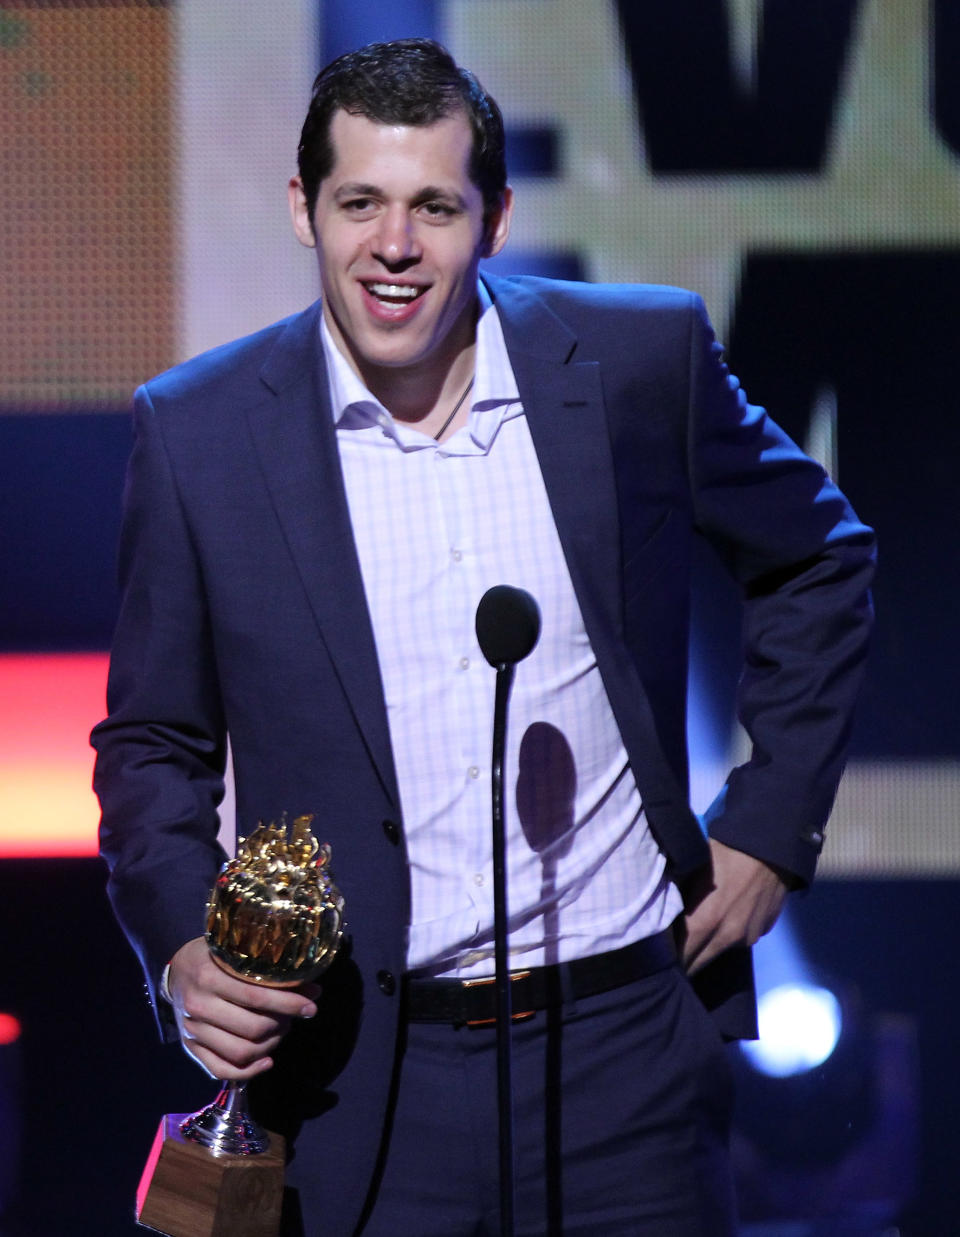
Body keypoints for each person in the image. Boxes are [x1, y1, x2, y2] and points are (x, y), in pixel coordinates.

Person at [92, 37, 875, 1237]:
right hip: (360, 1070)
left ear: (495, 218)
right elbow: (152, 738)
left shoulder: (632, 365)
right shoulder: (199, 435)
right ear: (305, 209)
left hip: (625, 1057)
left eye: (434, 207)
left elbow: (819, 556)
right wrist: (188, 944)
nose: (393, 246)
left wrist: (772, 826)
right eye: (360, 202)